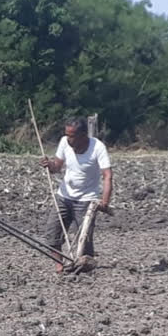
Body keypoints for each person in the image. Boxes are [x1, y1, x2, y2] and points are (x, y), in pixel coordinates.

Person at [40, 117, 113, 273]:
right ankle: (59, 266)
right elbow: (57, 167)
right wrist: (49, 165)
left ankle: (83, 266)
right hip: (64, 195)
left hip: (86, 199)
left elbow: (107, 175)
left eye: (72, 136)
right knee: (52, 233)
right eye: (67, 135)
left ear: (82, 135)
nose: (68, 139)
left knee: (84, 240)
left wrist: (105, 202)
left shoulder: (98, 147)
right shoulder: (64, 142)